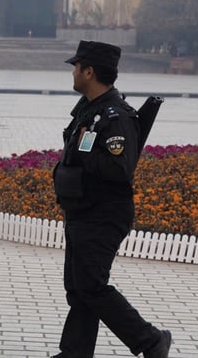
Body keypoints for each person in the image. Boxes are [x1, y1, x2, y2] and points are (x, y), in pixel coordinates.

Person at [51, 40, 172, 358]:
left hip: (103, 213)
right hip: (82, 210)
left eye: (77, 67)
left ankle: (150, 340)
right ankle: (74, 353)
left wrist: (85, 152)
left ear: (89, 72)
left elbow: (119, 168)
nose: (73, 72)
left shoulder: (116, 116)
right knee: (79, 288)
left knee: (91, 286)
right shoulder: (90, 111)